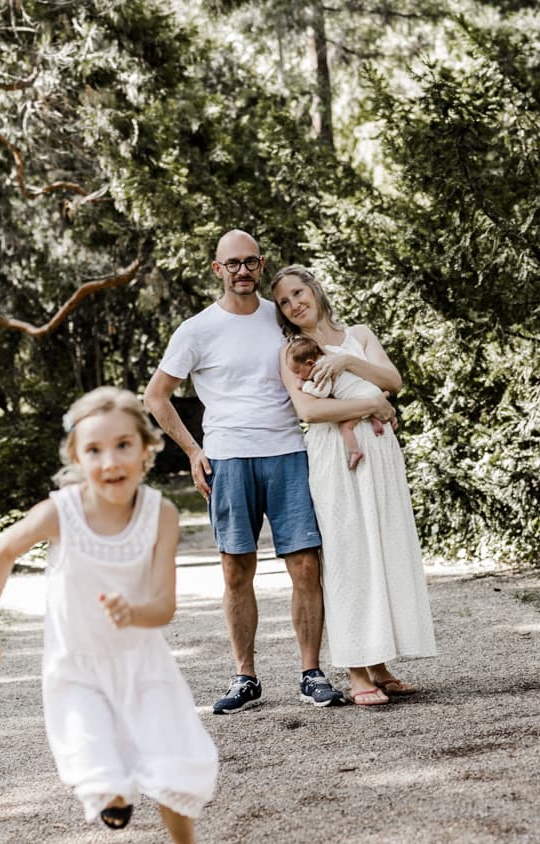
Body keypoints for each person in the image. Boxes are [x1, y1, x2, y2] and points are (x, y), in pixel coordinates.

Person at [0, 387, 234, 844]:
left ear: (146, 449)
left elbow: (163, 604)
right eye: (94, 451)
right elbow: (1, 552)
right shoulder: (60, 513)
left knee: (171, 763)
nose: (110, 462)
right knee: (96, 760)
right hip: (78, 668)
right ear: (75, 456)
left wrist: (134, 613)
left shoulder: (160, 515)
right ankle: (112, 794)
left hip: (143, 664)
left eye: (123, 446)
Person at [144, 230, 394, 715]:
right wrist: (194, 451)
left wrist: (365, 406)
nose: (242, 270)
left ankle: (311, 673)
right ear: (217, 270)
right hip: (229, 458)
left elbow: (322, 361)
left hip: (288, 453)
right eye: (232, 263)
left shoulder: (280, 318)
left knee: (306, 566)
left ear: (260, 266)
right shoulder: (196, 329)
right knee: (237, 570)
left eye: (251, 262)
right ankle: (245, 677)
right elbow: (157, 396)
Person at [271, 265, 437, 707]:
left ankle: (379, 664)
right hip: (335, 456)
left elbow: (393, 380)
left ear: (315, 289)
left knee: (382, 549)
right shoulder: (291, 352)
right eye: (284, 302)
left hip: (381, 454)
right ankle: (356, 668)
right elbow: (308, 410)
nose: (293, 304)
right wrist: (371, 405)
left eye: (297, 293)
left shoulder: (359, 334)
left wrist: (346, 360)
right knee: (348, 554)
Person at [285, 334, 385, 471]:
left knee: (345, 427)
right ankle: (375, 420)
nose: (297, 375)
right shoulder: (332, 359)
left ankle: (355, 451)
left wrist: (304, 385)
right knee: (361, 409)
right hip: (371, 390)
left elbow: (322, 392)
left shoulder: (321, 371)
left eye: (297, 371)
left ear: (310, 363)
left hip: (362, 398)